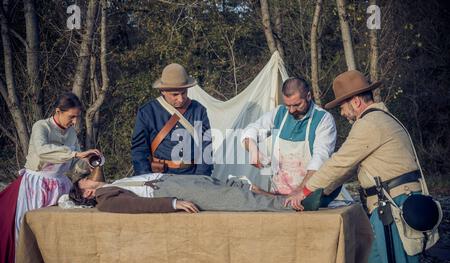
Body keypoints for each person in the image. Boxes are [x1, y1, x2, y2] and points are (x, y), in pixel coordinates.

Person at [285, 70, 423, 263]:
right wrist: (315, 198)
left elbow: (339, 164)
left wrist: (305, 191)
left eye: (342, 105)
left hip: (394, 209)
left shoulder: (369, 124)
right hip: (388, 208)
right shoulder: (379, 120)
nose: (341, 111)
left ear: (356, 102)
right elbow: (345, 170)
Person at [0, 92, 101, 263]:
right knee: (30, 233)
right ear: (58, 112)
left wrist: (88, 159)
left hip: (59, 185)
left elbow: (73, 162)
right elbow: (43, 150)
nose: (74, 121)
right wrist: (74, 153)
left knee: (55, 233)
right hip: (36, 184)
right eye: (71, 116)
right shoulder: (41, 126)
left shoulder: (71, 132)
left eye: (77, 117)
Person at [241, 77, 338, 197]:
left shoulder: (323, 120)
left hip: (309, 194)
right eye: (288, 105)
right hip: (278, 192)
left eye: (297, 105)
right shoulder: (279, 113)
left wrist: (301, 191)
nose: (291, 110)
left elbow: (320, 158)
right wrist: (253, 149)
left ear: (308, 96)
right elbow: (251, 130)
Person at [69, 172, 294, 214]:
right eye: (87, 180)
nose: (92, 178)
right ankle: (287, 206)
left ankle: (285, 198)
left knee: (228, 185)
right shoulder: (104, 200)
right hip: (168, 190)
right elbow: (137, 206)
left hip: (171, 179)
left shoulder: (111, 185)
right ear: (87, 193)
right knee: (231, 199)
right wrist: (173, 203)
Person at [131, 63, 213, 176]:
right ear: (163, 91)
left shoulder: (199, 110)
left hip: (192, 175)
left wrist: (201, 178)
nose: (180, 99)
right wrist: (145, 177)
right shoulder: (147, 112)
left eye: (183, 93)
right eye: (175, 94)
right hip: (159, 176)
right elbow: (139, 149)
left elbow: (206, 147)